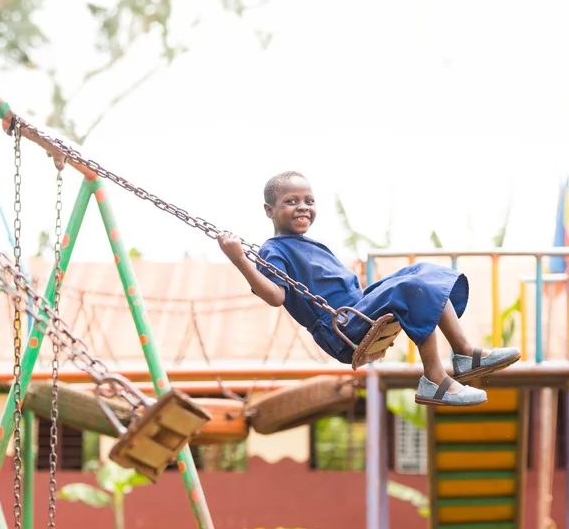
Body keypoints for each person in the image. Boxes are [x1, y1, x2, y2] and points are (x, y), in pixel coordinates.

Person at [217, 171, 520, 407]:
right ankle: (435, 378)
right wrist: (239, 259)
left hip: (357, 308)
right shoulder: (273, 250)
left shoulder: (305, 243)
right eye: (291, 201)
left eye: (309, 201)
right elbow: (275, 296)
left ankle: (464, 354)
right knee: (413, 288)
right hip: (341, 325)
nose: (303, 207)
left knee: (424, 273)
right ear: (269, 211)